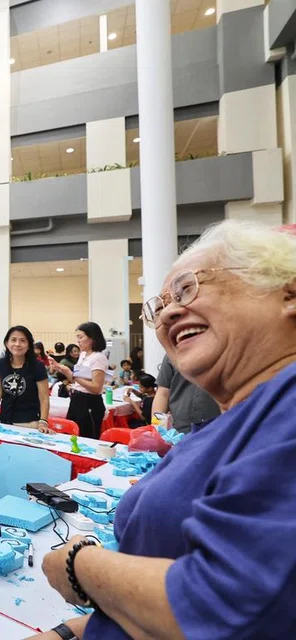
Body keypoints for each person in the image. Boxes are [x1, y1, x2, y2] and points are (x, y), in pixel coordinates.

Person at [33, 220, 296, 640]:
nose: (170, 312)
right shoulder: (238, 419)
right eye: (160, 305)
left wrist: (79, 564)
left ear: (289, 294)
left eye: (189, 289)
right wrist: (74, 632)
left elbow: (230, 606)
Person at [0, 326, 52, 432]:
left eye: (22, 341)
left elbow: (44, 397)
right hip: (4, 421)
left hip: (29, 423)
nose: (17, 344)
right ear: (7, 343)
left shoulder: (37, 366)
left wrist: (43, 422)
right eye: (13, 340)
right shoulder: (1, 363)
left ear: (29, 345)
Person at [51, 323, 108, 439]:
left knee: (87, 437)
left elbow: (96, 387)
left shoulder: (98, 357)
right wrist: (63, 369)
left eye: (81, 337)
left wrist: (73, 376)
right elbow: (77, 379)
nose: (78, 341)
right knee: (72, 435)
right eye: (77, 337)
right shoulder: (83, 355)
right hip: (77, 399)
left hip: (90, 402)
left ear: (92, 338)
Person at [152, 354, 221, 434]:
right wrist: (158, 430)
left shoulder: (224, 350)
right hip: (180, 431)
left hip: (218, 428)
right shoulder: (173, 353)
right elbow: (163, 393)